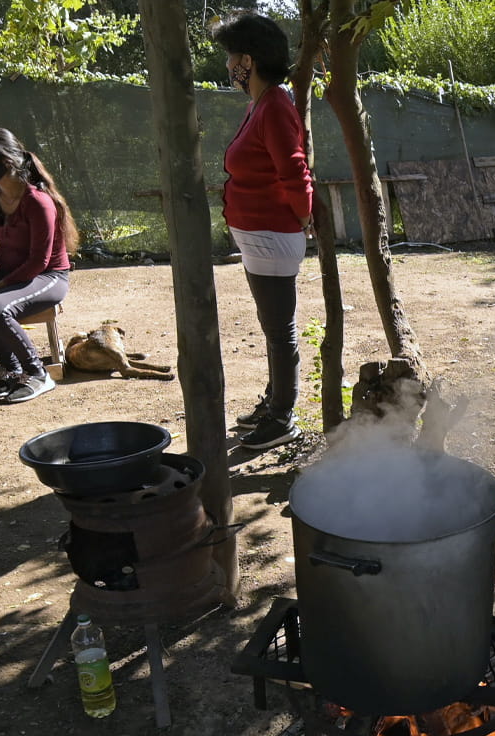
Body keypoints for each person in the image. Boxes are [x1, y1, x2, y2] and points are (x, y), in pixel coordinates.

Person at [212, 12, 313, 451]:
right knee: (271, 324)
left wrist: (303, 217)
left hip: (273, 235)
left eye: (231, 55)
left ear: (247, 60)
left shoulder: (274, 104)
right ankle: (274, 400)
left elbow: (294, 170)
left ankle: (281, 417)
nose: (228, 64)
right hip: (259, 236)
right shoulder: (261, 103)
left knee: (279, 328)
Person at [0, 127, 76, 404]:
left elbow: (38, 262)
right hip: (7, 272)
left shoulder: (38, 202)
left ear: (7, 161)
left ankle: (38, 374)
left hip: (47, 276)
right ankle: (14, 371)